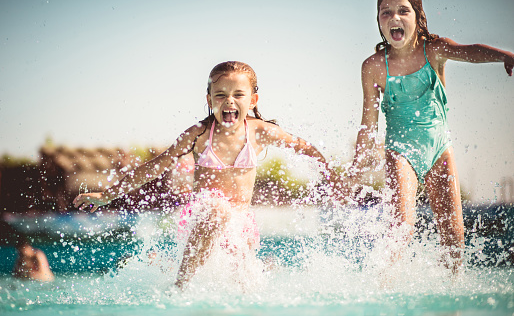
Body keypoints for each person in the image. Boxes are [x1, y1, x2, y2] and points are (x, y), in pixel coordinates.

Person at [73, 61, 343, 289]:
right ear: (209, 100)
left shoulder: (260, 131)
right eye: (221, 95)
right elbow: (156, 165)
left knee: (242, 290)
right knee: (217, 209)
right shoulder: (199, 135)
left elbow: (304, 148)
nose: (229, 101)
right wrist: (106, 195)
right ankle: (181, 287)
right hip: (202, 217)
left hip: (241, 225)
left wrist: (330, 176)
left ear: (253, 100)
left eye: (238, 94)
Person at [347, 0, 514, 273]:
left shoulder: (433, 50)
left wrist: (504, 55)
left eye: (403, 11)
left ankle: (452, 292)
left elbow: (469, 51)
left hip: (439, 150)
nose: (394, 18)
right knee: (402, 228)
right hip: (400, 152)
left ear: (418, 17)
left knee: (454, 236)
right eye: (385, 13)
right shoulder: (374, 66)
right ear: (378, 21)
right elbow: (368, 123)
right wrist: (358, 167)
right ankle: (382, 285)